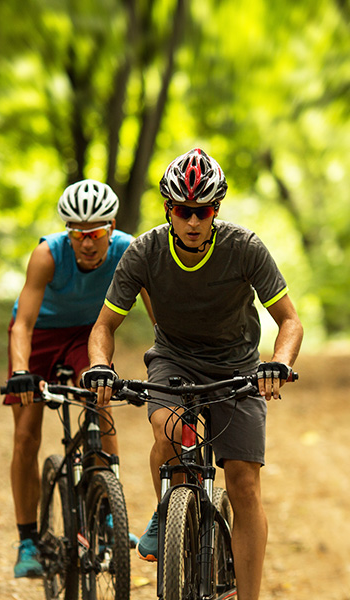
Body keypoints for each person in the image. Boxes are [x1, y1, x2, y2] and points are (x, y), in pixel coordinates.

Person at [81, 149, 303, 600]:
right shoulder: (145, 252)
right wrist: (101, 366)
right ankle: (169, 511)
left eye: (202, 211)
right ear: (170, 210)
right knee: (169, 431)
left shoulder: (245, 248)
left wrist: (279, 363)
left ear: (215, 210)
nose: (193, 222)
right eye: (184, 211)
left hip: (238, 367)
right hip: (175, 359)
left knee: (243, 482)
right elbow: (104, 326)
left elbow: (290, 321)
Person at [3, 179, 152, 578]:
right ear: (68, 232)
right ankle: (27, 541)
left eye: (96, 233)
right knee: (26, 435)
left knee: (99, 392)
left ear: (112, 227)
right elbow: (23, 324)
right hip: (41, 336)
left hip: (88, 333)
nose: (87, 243)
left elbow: (160, 317)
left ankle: (106, 507)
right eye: (78, 234)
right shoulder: (47, 255)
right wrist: (20, 371)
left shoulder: (129, 250)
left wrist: (171, 356)